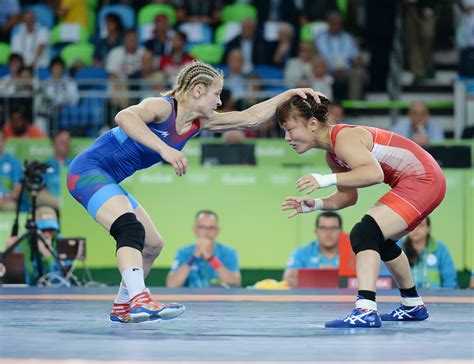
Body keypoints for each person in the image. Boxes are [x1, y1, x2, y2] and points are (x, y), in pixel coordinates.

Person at [66, 60, 321, 324]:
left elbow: (250, 118)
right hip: (86, 172)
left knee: (153, 245)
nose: (219, 102)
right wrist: (164, 149)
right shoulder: (163, 107)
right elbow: (124, 116)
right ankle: (139, 299)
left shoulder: (198, 123)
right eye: (216, 94)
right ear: (198, 90)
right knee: (130, 230)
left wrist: (289, 94)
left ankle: (123, 306)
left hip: (108, 180)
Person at [278, 94, 446, 328]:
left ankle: (366, 309)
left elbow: (373, 173)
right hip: (422, 180)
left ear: (313, 124)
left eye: (289, 129)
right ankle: (412, 305)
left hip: (423, 179)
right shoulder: (333, 153)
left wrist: (325, 179)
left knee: (364, 233)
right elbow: (348, 197)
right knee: (379, 239)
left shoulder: (344, 137)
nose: (287, 138)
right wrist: (315, 204)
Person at [166, 210, 241, 288]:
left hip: (219, 299)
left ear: (217, 231)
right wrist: (193, 257)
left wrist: (211, 259)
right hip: (189, 299)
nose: (206, 232)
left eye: (211, 228)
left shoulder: (229, 253)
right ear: (195, 230)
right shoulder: (183, 252)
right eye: (202, 227)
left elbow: (236, 283)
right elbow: (171, 284)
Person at [284, 211, 342, 288]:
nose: (328, 233)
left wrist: (334, 276)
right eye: (323, 228)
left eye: (333, 228)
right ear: (316, 231)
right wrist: (319, 278)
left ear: (341, 231)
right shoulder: (300, 253)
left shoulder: (354, 254)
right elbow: (289, 279)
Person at [402, 217, 457, 289]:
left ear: (428, 228)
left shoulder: (440, 249)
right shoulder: (398, 249)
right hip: (406, 298)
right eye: (412, 225)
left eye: (420, 225)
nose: (415, 229)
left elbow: (450, 280)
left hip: (435, 298)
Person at [0, 128, 22, 212]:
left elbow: (17, 189)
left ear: (4, 142)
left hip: (7, 201)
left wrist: (4, 199)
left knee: (11, 207)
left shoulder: (13, 162)